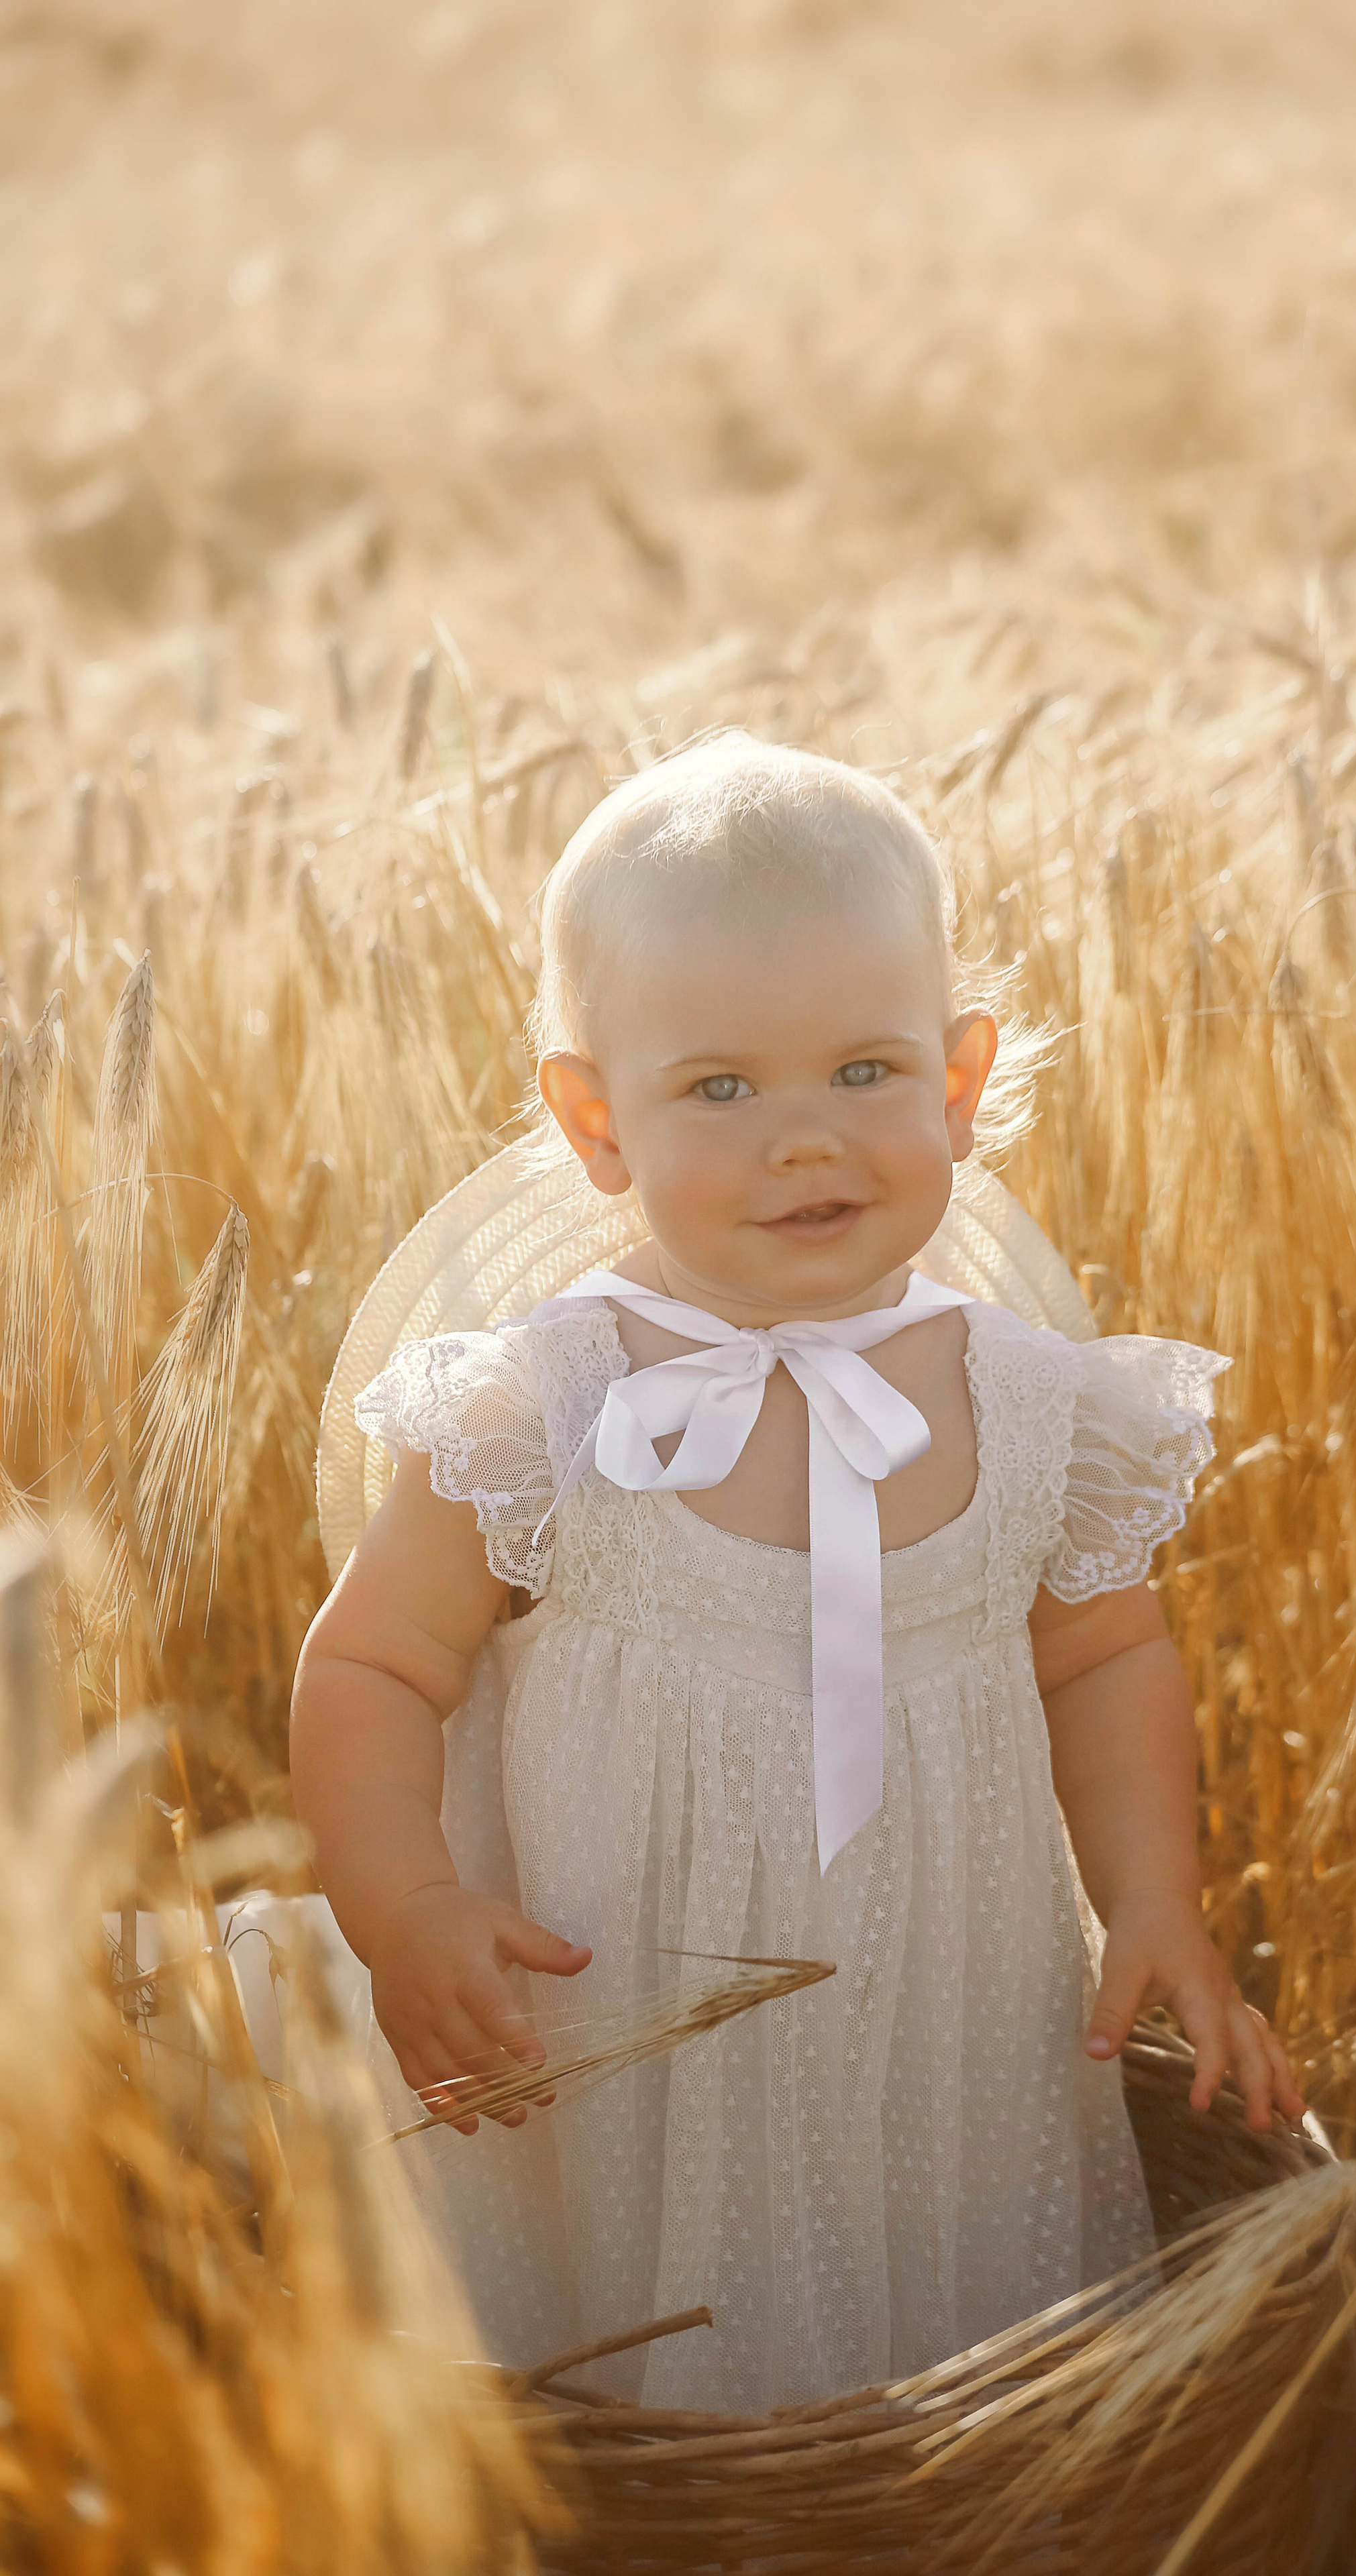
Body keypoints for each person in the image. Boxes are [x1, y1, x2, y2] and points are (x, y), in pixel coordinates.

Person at [289, 732, 1303, 2410]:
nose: (802, 1140)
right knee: (649, 2370)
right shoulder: (550, 1403)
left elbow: (1102, 1660)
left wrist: (1149, 1902)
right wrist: (404, 1909)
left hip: (952, 2012)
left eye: (863, 1073)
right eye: (719, 1089)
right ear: (594, 1122)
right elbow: (376, 1665)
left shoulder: (1034, 1399)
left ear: (961, 1084)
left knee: (966, 2342)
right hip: (626, 2022)